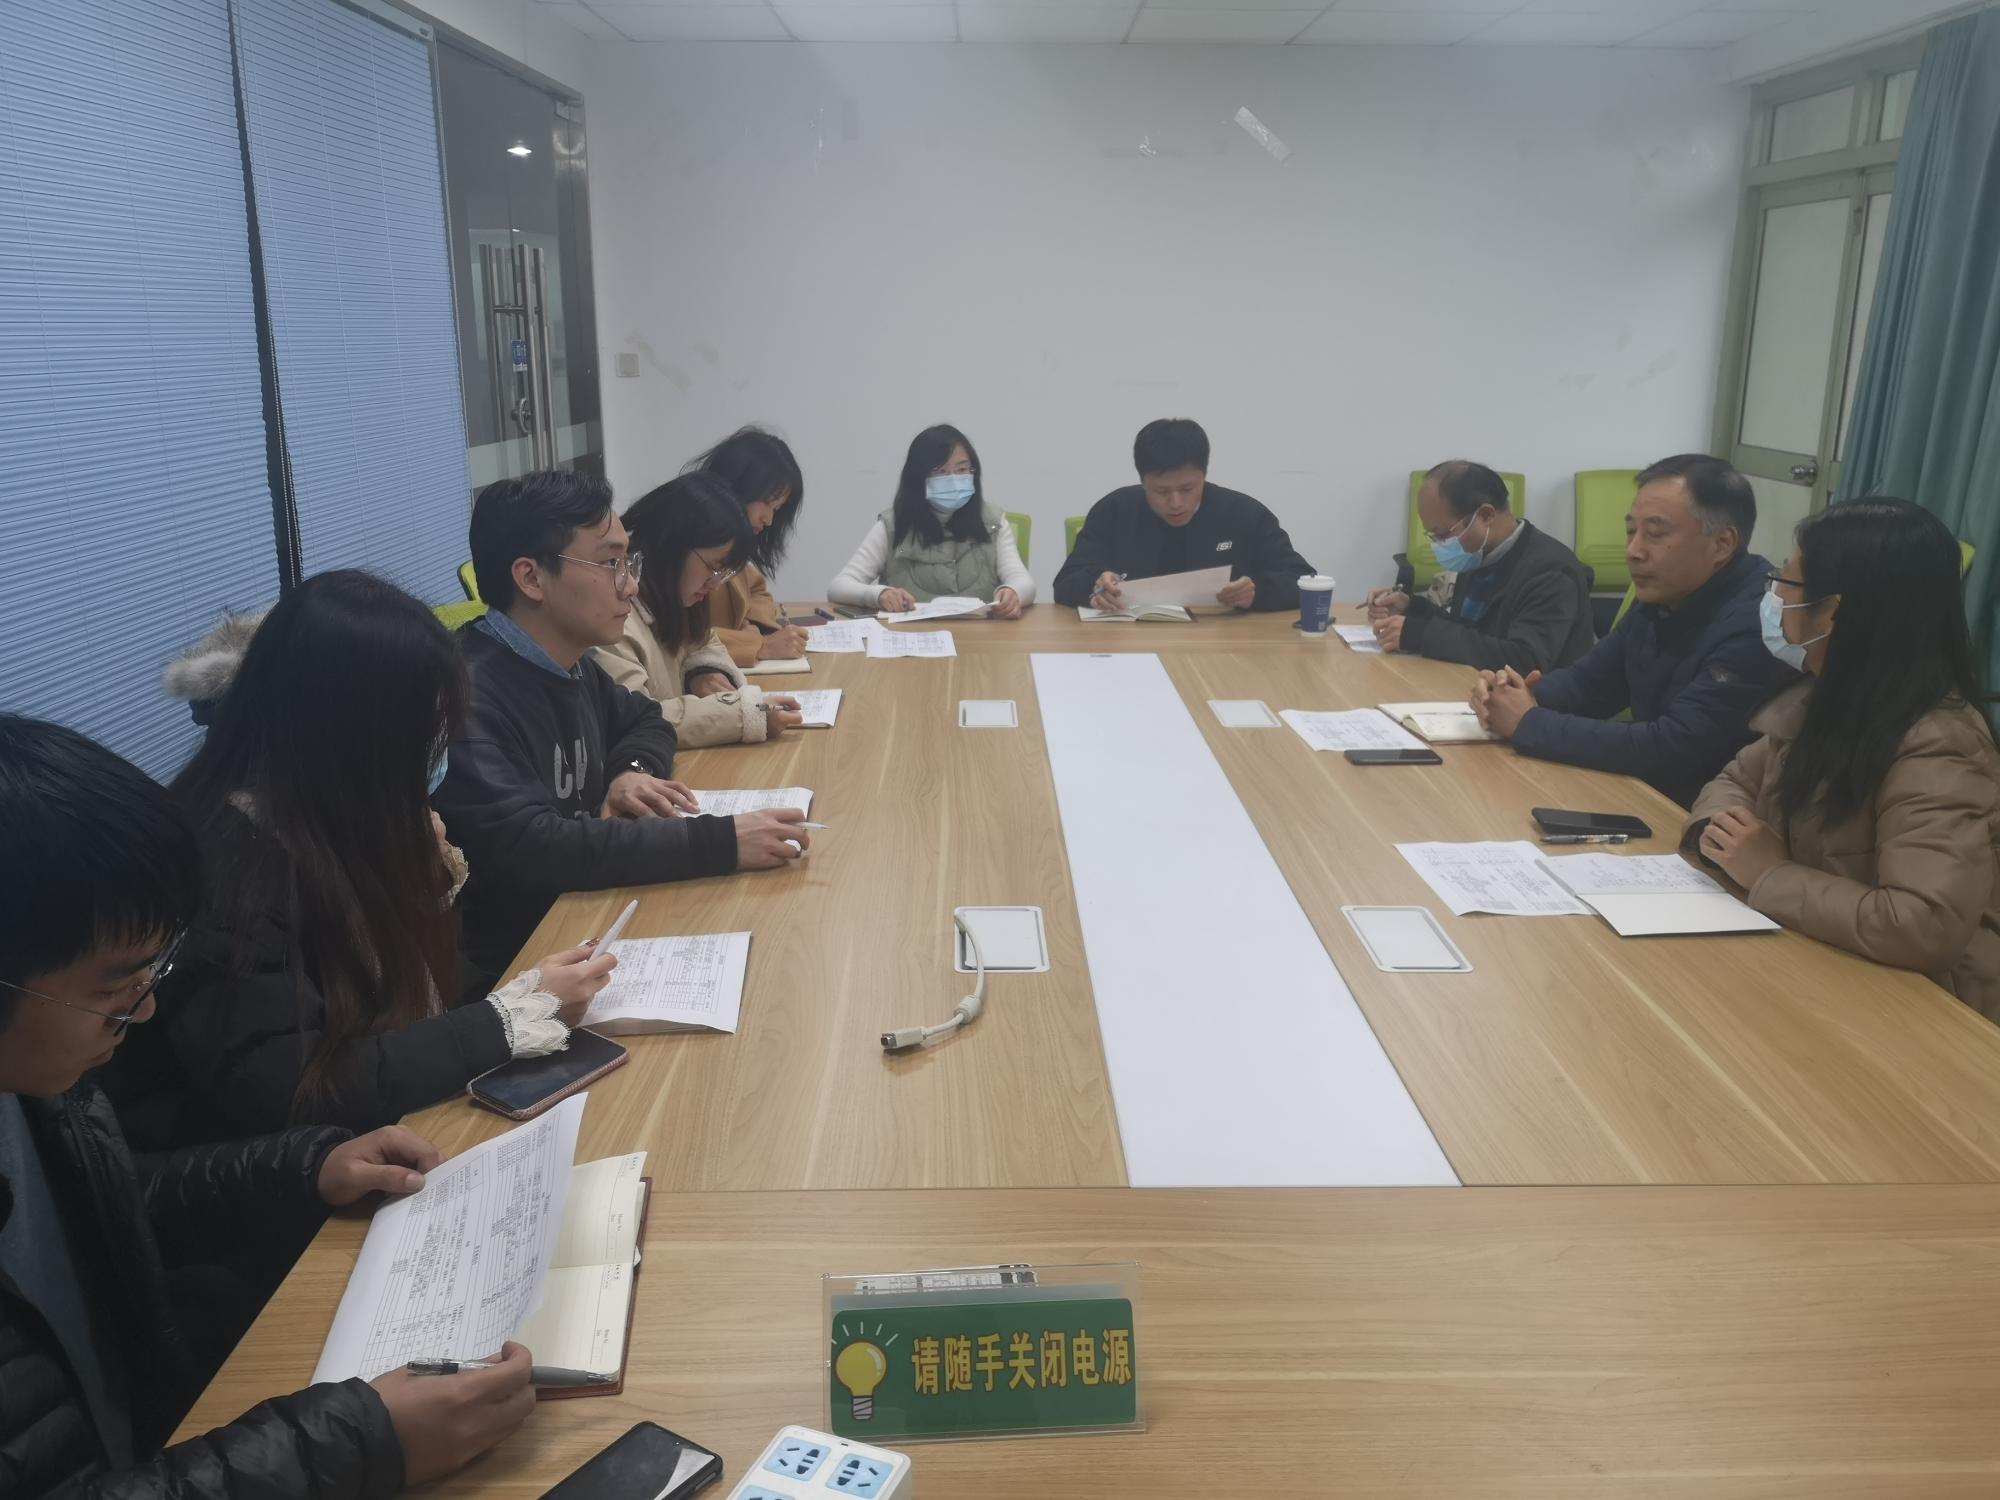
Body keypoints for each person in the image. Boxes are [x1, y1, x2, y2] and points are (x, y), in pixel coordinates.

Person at [0, 714, 533, 1499]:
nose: (143, 1011)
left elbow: (102, 1198)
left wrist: (306, 1167)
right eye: (114, 987)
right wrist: (359, 1442)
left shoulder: (32, 1085)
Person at [104, 572, 619, 1151]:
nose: (433, 754)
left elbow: (416, 995)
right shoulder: (226, 868)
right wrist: (502, 1020)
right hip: (285, 1174)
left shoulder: (327, 813)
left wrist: (520, 989)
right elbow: (294, 1091)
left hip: (380, 1130)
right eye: (421, 733)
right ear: (352, 737)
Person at [436, 470, 809, 989]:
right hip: (522, 969)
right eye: (610, 563)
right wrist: (719, 842)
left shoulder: (571, 664)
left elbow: (646, 719)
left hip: (590, 915)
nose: (631, 585)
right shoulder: (465, 696)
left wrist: (629, 772)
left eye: (627, 563)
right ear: (531, 578)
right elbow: (536, 848)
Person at [1684, 500, 1998, 1018]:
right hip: (1819, 956)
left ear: (1832, 610)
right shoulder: (1825, 696)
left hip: (1928, 1007)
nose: (1773, 597)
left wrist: (1770, 873)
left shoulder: (1940, 743)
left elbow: (1923, 926)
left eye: (1786, 583)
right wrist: (1725, 836)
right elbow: (1732, 781)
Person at [1470, 454, 1796, 807]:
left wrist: (1528, 722)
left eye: (1655, 534)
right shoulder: (1667, 595)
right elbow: (1589, 684)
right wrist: (1509, 693)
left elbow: (1674, 748)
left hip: (1701, 815)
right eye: (1631, 531)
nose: (1633, 551)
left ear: (1722, 544)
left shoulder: (1758, 623)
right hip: (1646, 794)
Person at [596, 473, 805, 746]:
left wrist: (703, 671)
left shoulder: (673, 596)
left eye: (723, 573)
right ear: (671, 544)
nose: (714, 583)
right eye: (712, 567)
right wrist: (747, 714)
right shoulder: (612, 620)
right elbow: (638, 719)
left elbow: (704, 642)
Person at [1053, 418, 1315, 614]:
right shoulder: (1114, 511)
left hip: (1222, 646)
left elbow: (1304, 581)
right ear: (1143, 482)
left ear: (1204, 476)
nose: (1176, 503)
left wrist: (1256, 592)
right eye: (1162, 491)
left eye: (1188, 489)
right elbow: (1065, 583)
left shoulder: (1244, 514)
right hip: (1131, 645)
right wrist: (1095, 586)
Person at [1366, 460, 1594, 672]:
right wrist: (1411, 608)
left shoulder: (1551, 571)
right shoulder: (1480, 554)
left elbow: (1525, 659)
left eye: (1443, 534)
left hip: (1536, 697)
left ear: (1486, 515)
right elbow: (1468, 633)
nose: (1439, 545)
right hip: (1477, 684)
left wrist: (1421, 635)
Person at [827, 424, 1034, 618]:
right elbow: (839, 586)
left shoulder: (992, 521)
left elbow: (1023, 581)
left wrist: (1012, 592)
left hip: (981, 636)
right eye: (940, 471)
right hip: (912, 637)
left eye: (962, 470)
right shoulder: (893, 525)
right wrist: (879, 594)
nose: (953, 479)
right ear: (918, 477)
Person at [687, 426, 811, 665]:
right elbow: (677, 638)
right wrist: (758, 645)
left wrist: (752, 623)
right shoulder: (689, 547)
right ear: (737, 485)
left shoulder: (731, 544)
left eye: (776, 509)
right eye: (766, 502)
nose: (769, 520)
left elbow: (757, 591)